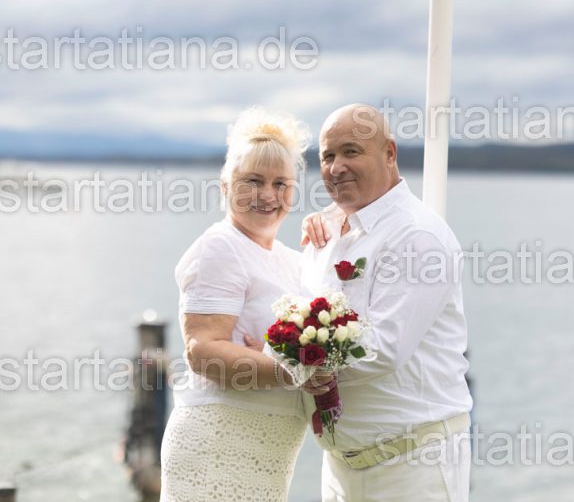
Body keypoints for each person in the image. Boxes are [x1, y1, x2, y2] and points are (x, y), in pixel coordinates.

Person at [300, 104, 473, 502]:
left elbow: (383, 348)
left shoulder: (417, 236)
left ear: (389, 153)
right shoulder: (327, 232)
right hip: (340, 468)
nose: (336, 167)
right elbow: (298, 317)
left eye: (351, 152)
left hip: (411, 466)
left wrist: (294, 365)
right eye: (327, 156)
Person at [160, 107, 324, 502]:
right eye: (253, 181)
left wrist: (332, 227)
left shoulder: (291, 260)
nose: (268, 195)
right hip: (219, 442)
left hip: (270, 452)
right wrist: (289, 371)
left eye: (281, 183)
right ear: (225, 186)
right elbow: (203, 353)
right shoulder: (220, 247)